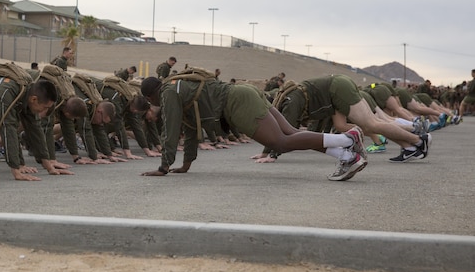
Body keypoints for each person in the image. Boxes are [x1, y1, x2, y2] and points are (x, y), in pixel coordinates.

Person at [140, 76, 370, 182]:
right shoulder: (177, 86)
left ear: (151, 95)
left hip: (237, 103)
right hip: (243, 93)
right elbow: (190, 128)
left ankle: (347, 140)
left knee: (278, 143)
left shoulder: (167, 94)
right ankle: (347, 155)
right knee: (291, 134)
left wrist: (163, 167)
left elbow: (170, 129)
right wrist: (185, 165)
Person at [254, 75, 430, 164]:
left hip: (337, 89)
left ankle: (417, 139)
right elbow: (317, 126)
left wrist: (271, 154)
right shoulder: (290, 98)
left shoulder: (290, 102)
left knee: (371, 124)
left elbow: (285, 131)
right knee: (342, 125)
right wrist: (265, 152)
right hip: (333, 93)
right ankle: (409, 147)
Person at [0, 68, 73, 180]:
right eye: (44, 108)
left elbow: (35, 129)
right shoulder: (8, 91)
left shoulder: (26, 94)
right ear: (34, 99)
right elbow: (8, 127)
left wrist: (48, 166)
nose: (44, 112)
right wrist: (16, 169)